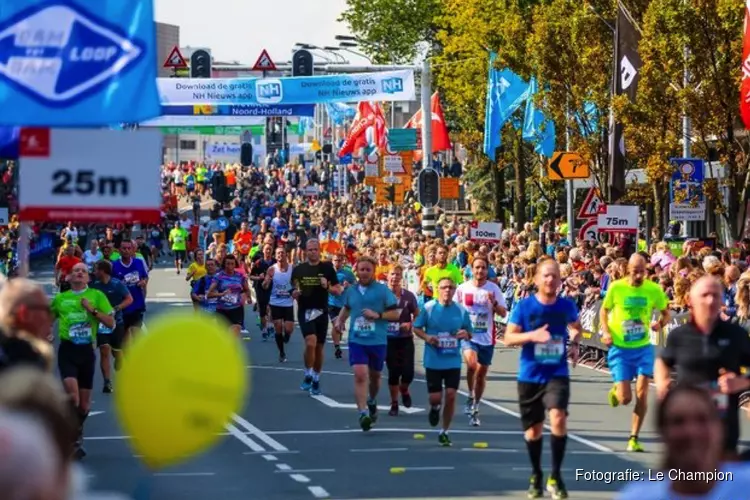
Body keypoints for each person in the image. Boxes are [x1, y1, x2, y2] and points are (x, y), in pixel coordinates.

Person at [504, 258, 582, 500]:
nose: (550, 279)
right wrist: (532, 335)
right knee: (534, 430)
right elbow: (508, 338)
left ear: (560, 280)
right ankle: (536, 474)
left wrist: (576, 342)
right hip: (530, 375)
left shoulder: (566, 306)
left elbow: (576, 327)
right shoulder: (525, 307)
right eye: (545, 275)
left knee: (558, 417)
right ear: (537, 279)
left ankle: (556, 476)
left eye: (555, 276)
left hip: (557, 373)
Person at [655, 275, 750, 457]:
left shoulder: (736, 334)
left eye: (716, 295)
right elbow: (662, 361)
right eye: (705, 295)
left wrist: (741, 383)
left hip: (723, 428)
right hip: (687, 427)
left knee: (724, 481)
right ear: (691, 300)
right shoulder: (679, 336)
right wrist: (662, 383)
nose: (711, 300)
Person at [616, 385, 750, 499]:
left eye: (702, 419)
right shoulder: (638, 496)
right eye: (678, 421)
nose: (692, 431)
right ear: (662, 432)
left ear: (720, 428)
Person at [600, 253, 669, 452]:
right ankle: (617, 389)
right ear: (627, 270)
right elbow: (604, 310)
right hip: (620, 348)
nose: (639, 276)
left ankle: (633, 438)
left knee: (642, 393)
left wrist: (660, 323)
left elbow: (666, 313)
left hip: (643, 348)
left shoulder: (653, 289)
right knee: (625, 399)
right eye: (635, 272)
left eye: (642, 272)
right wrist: (605, 331)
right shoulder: (617, 287)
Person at [51, 262, 114, 460]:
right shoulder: (61, 298)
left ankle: (75, 433)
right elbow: (47, 319)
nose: (79, 273)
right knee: (73, 398)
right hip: (68, 351)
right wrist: (45, 334)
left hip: (87, 351)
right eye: (75, 271)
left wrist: (92, 310)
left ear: (88, 278)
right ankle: (70, 439)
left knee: (84, 407)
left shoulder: (97, 296)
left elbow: (110, 323)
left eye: (83, 271)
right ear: (68, 278)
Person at [335, 256, 401, 431]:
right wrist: (340, 320)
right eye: (361, 269)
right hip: (357, 339)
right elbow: (348, 307)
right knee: (360, 373)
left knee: (375, 377)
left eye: (368, 270)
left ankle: (371, 400)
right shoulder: (351, 290)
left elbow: (395, 314)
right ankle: (363, 413)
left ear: (374, 271)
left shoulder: (382, 290)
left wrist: (378, 315)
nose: (364, 273)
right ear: (356, 271)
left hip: (377, 341)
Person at [413, 276, 472, 446]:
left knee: (452, 395)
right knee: (435, 398)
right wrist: (427, 337)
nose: (447, 290)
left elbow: (470, 332)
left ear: (454, 291)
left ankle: (445, 430)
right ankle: (435, 408)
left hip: (453, 360)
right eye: (444, 287)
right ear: (437, 289)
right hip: (433, 360)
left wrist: (465, 334)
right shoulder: (428, 308)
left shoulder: (461, 310)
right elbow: (416, 327)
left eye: (451, 288)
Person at [454, 256, 507, 426]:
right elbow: (454, 309)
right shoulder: (463, 289)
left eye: (483, 268)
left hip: (486, 337)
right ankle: (469, 394)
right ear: (471, 269)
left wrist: (494, 303)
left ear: (487, 270)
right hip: (469, 336)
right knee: (471, 365)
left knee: (482, 372)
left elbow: (503, 313)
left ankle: (476, 403)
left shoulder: (493, 289)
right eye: (477, 267)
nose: (480, 271)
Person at [292, 239, 342, 395]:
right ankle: (307, 373)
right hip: (305, 310)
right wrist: (293, 293)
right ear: (306, 251)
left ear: (319, 250)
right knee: (310, 341)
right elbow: (292, 287)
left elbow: (338, 290)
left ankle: (316, 378)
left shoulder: (327, 269)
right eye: (310, 249)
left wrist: (327, 286)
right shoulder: (299, 269)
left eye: (315, 249)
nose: (312, 252)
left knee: (319, 347)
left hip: (321, 311)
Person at [90, 259, 133, 391]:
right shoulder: (94, 285)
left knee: (116, 352)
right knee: (104, 350)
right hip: (101, 323)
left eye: (96, 269)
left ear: (102, 271)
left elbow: (129, 299)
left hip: (117, 322)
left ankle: (119, 358)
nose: (94, 272)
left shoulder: (117, 284)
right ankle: (107, 382)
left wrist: (117, 308)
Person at [384, 264, 419, 416]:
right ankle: (394, 403)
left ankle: (404, 389)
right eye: (392, 274)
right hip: (388, 339)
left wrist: (410, 323)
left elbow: (418, 315)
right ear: (387, 276)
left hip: (405, 338)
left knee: (408, 373)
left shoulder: (409, 296)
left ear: (402, 277)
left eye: (398, 274)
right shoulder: (381, 295)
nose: (395, 277)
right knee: (393, 372)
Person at [111, 240, 149, 347]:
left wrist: (143, 282)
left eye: (129, 248)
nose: (126, 251)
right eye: (124, 248)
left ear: (133, 250)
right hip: (122, 305)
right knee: (125, 335)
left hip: (137, 303)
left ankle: (138, 357)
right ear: (119, 250)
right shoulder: (114, 265)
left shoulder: (138, 262)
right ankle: (127, 358)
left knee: (136, 331)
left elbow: (145, 277)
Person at [208, 254, 252, 337]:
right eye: (228, 263)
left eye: (232, 264)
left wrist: (248, 297)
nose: (230, 266)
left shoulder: (240, 276)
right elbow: (209, 294)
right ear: (224, 264)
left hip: (236, 309)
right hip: (222, 310)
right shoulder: (219, 276)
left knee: (234, 333)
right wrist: (221, 294)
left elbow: (246, 289)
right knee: (224, 336)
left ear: (235, 264)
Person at [264, 246, 295, 363]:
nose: (280, 255)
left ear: (286, 254)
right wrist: (266, 281)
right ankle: (282, 353)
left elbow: (295, 283)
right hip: (275, 302)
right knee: (277, 326)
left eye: (282, 253)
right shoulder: (272, 269)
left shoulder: (292, 268)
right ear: (275, 256)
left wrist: (295, 290)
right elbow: (265, 285)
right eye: (278, 253)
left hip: (288, 303)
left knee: (288, 328)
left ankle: (287, 336)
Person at [329, 252, 356, 359]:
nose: (337, 262)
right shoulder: (327, 272)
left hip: (344, 304)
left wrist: (349, 285)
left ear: (343, 261)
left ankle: (337, 340)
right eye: (335, 260)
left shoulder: (348, 273)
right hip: (331, 303)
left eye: (339, 260)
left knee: (339, 327)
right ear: (332, 261)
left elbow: (356, 285)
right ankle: (337, 348)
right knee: (336, 324)